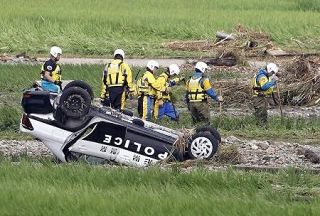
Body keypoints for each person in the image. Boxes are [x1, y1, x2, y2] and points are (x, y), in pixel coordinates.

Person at [251, 62, 279, 127]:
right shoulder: (262, 76)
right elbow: (264, 86)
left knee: (263, 114)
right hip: (258, 98)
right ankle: (261, 128)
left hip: (262, 97)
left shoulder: (265, 76)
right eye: (272, 72)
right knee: (261, 113)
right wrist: (273, 81)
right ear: (269, 69)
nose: (272, 74)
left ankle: (262, 127)